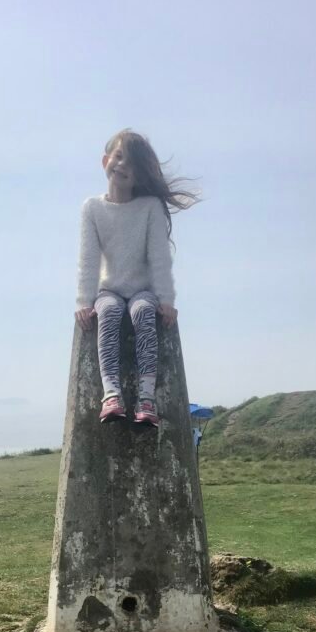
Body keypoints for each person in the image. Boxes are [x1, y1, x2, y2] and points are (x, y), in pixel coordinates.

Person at [74, 129, 199, 427]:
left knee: (143, 311)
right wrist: (83, 300)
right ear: (105, 160)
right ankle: (111, 393)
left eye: (131, 163)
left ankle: (146, 397)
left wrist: (166, 300)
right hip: (109, 290)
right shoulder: (92, 208)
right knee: (109, 312)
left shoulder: (150, 208)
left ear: (140, 174)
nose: (122, 166)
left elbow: (159, 257)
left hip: (143, 289)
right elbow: (88, 259)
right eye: (118, 157)